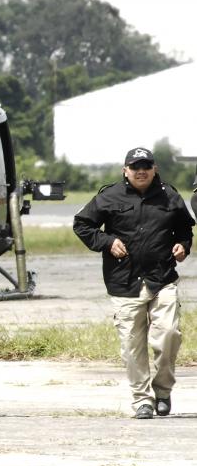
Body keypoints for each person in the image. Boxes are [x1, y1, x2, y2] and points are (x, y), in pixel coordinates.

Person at [73, 147, 194, 419]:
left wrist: (183, 244)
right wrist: (107, 241)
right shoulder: (108, 196)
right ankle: (143, 401)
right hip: (124, 282)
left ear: (155, 169)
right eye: (135, 166)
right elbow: (82, 224)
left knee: (169, 335)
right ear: (125, 170)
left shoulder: (169, 196)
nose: (141, 171)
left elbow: (185, 228)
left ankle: (163, 391)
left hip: (161, 279)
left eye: (146, 166)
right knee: (132, 346)